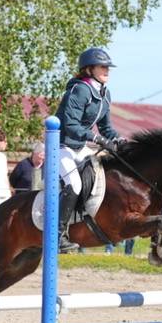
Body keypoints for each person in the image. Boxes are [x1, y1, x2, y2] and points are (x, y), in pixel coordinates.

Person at [54, 47, 124, 253]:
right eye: (103, 67)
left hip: (79, 147)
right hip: (60, 146)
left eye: (108, 67)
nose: (107, 71)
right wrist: (96, 138)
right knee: (74, 185)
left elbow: (106, 128)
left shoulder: (104, 93)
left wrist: (118, 139)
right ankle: (58, 236)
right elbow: (71, 125)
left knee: (103, 176)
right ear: (89, 69)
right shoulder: (80, 90)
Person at [0, 126, 12, 208]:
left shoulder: (3, 157)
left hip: (4, 194)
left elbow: (5, 176)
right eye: (5, 141)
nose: (6, 144)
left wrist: (9, 190)